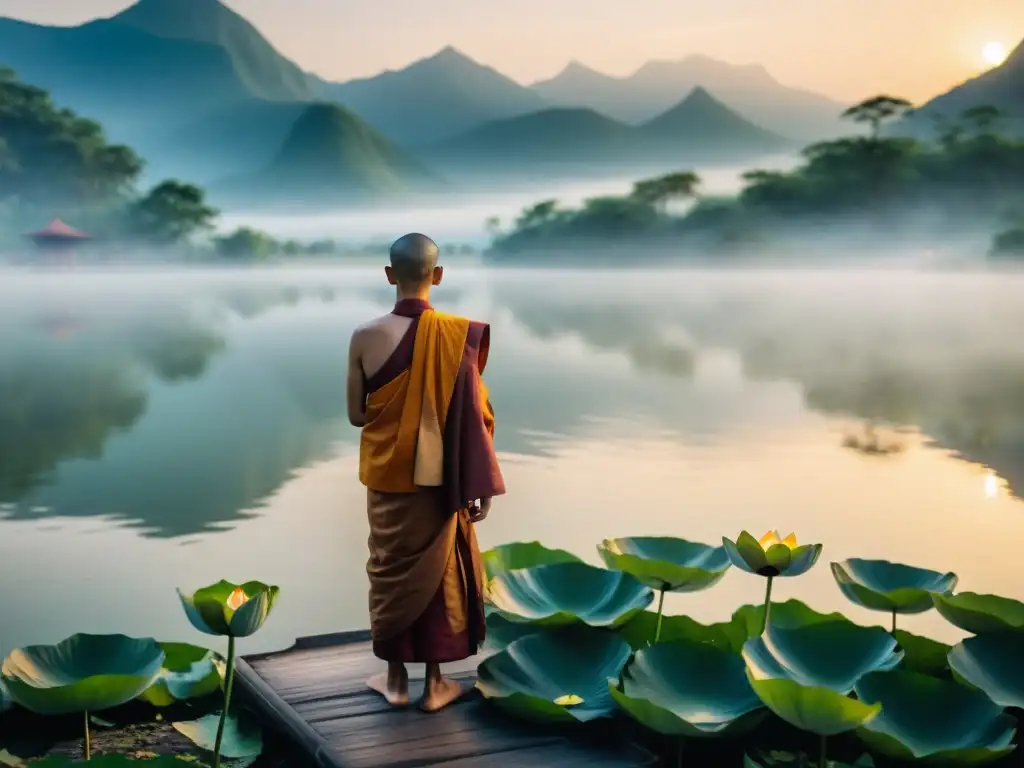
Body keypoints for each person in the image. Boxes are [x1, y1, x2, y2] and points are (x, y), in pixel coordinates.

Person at [346, 233, 505, 713]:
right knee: (443, 577)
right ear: (437, 276)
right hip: (441, 480)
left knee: (389, 569)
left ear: (390, 275)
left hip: (388, 478)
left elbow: (357, 414)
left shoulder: (365, 336)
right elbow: (475, 418)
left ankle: (394, 681)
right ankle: (436, 685)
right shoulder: (459, 335)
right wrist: (481, 482)